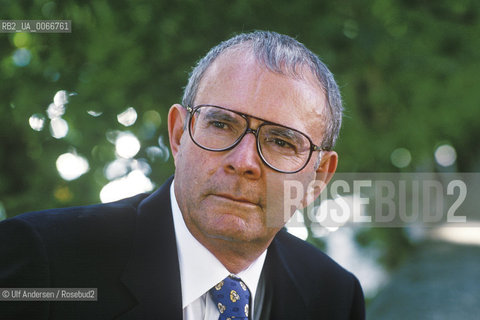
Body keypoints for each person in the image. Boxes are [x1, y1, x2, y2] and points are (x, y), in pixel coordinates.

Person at [0, 31, 365, 319]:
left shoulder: (334, 297)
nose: (244, 161)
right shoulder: (44, 261)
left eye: (282, 142)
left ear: (317, 179)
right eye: (221, 123)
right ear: (178, 134)